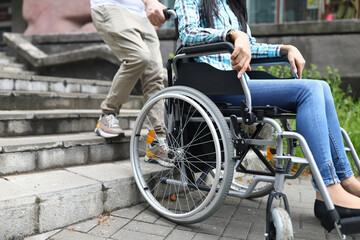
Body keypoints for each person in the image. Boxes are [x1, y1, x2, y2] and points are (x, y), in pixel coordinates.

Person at [174, 0, 360, 232]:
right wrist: (233, 34)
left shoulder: (231, 5)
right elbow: (189, 33)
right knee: (309, 90)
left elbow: (250, 46)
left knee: (321, 86)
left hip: (241, 84)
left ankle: (345, 179)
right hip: (216, 84)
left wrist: (284, 49)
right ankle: (328, 188)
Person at [91, 0, 170, 164]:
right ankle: (108, 114)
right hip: (112, 6)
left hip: (141, 14)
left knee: (155, 74)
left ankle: (156, 141)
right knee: (139, 57)